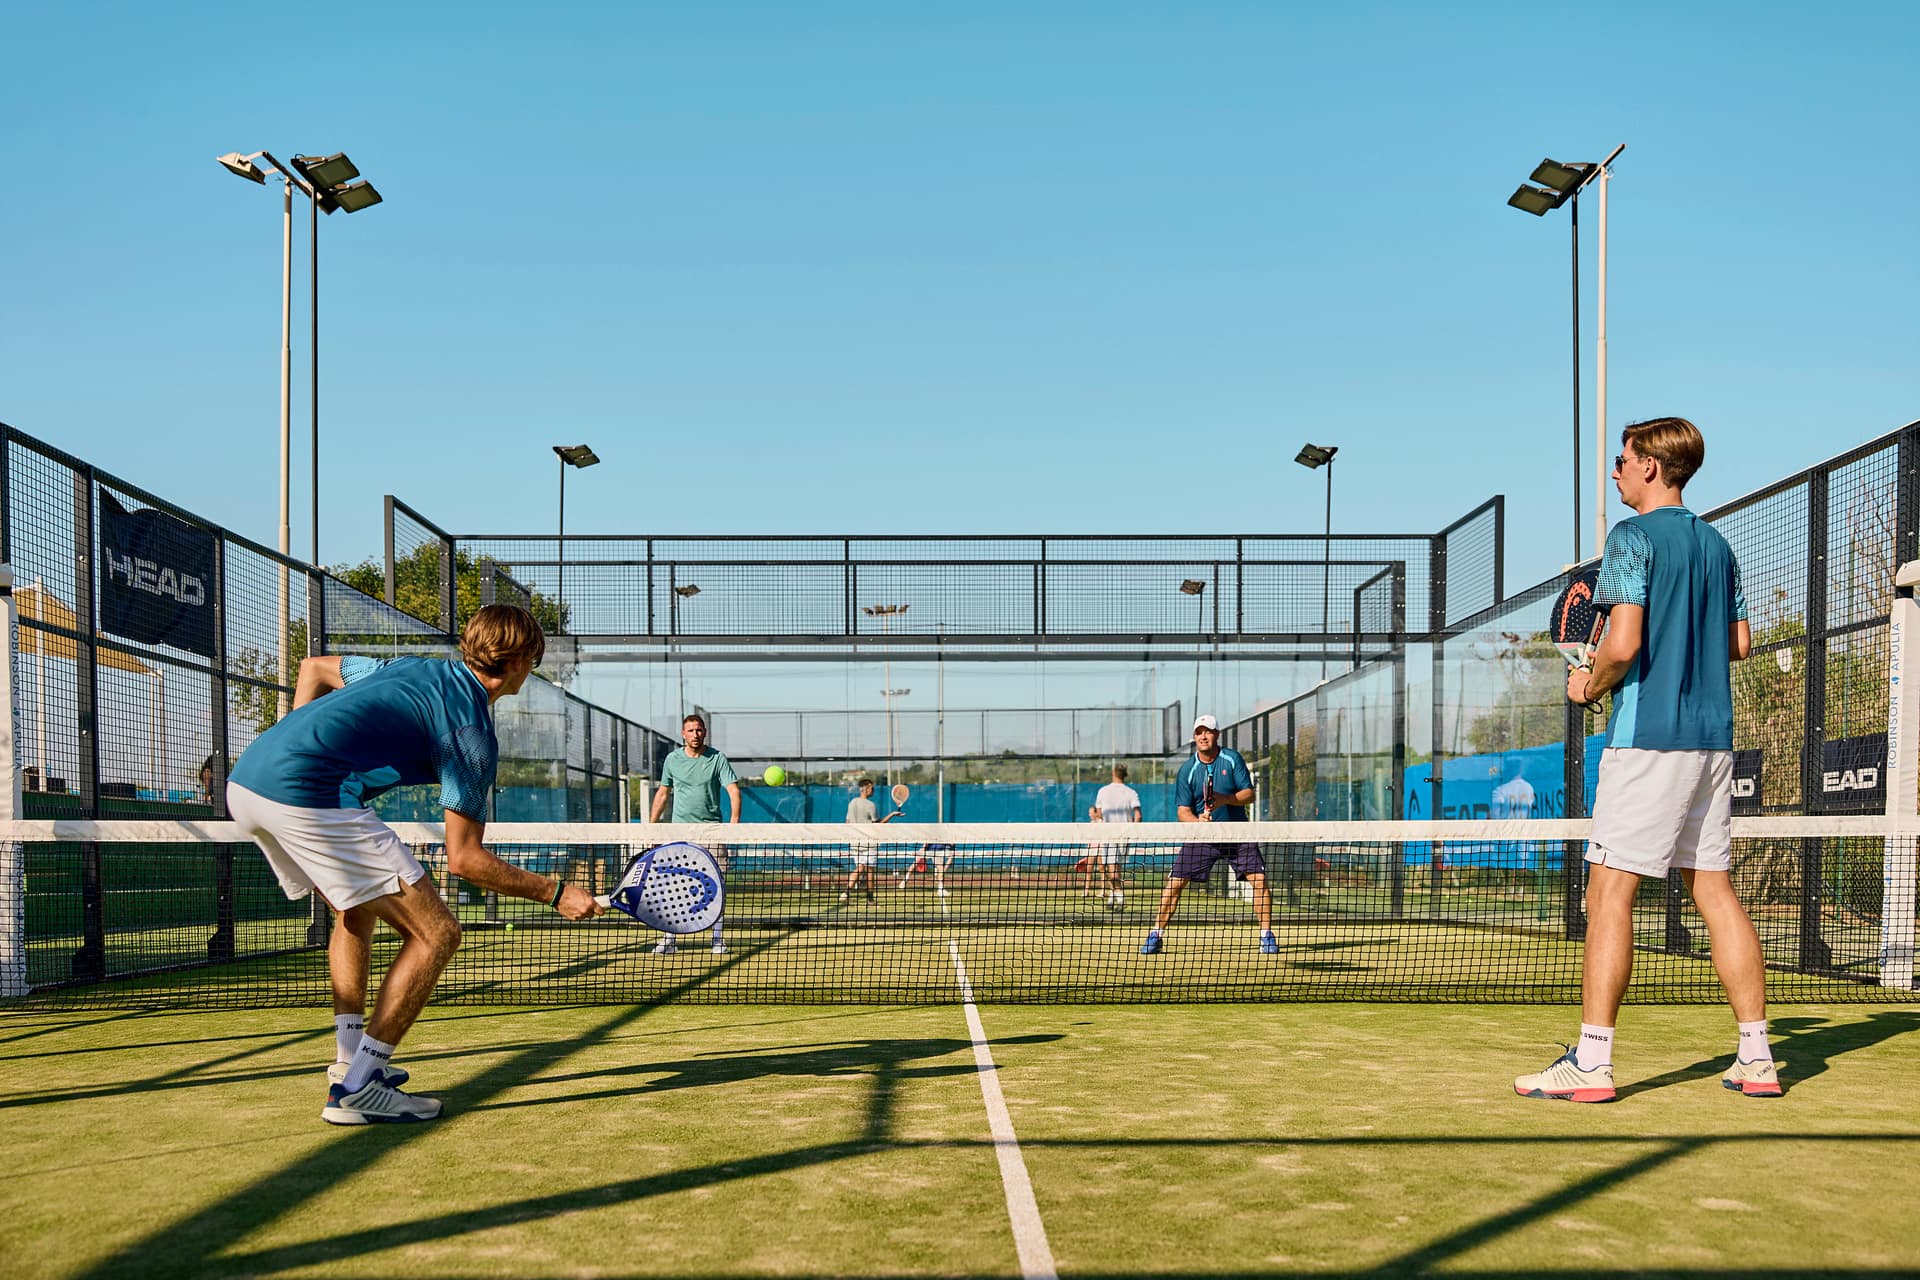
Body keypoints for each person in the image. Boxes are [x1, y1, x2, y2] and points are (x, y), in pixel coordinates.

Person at [227, 605, 602, 1125]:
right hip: (307, 794)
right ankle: (359, 1089)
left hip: (247, 780)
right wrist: (555, 893)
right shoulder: (470, 735)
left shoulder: (410, 667)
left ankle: (349, 1060)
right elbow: (465, 859)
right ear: (520, 664)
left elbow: (313, 669)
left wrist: (298, 746)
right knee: (437, 933)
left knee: (355, 908)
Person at [1515, 417, 1776, 1104]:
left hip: (1648, 740)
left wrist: (1589, 683)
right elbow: (1740, 643)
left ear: (1651, 467)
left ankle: (1591, 1062)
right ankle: (1757, 1057)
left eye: (1623, 460)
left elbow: (1624, 643)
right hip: (1711, 740)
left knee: (1608, 893)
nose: (1615, 471)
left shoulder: (1631, 538)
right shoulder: (1718, 546)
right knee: (1714, 890)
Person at [1139, 716, 1276, 954]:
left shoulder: (1231, 759)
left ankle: (1266, 936)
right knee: (1174, 884)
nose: (1203, 736)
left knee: (1259, 881)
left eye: (1208, 731)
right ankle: (1156, 934)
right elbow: (1183, 812)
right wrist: (1198, 822)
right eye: (1199, 732)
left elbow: (1249, 794)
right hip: (1202, 837)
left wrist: (1225, 799)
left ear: (1217, 734)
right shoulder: (1187, 771)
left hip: (1237, 833)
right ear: (1195, 737)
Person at [648, 712, 741, 955]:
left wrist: (733, 823)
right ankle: (669, 939)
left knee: (717, 886)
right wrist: (651, 828)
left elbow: (733, 790)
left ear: (705, 733)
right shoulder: (672, 759)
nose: (695, 734)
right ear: (683, 734)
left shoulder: (717, 758)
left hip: (712, 832)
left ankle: (717, 939)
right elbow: (663, 793)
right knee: (674, 886)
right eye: (690, 730)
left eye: (699, 730)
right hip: (680, 832)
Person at [1089, 763, 1142, 911]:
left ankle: (1119, 898)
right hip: (1122, 836)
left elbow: (1099, 814)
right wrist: (1132, 831)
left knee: (1113, 869)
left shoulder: (1103, 791)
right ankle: (1113, 897)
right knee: (1112, 868)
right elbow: (1138, 816)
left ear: (1113, 773)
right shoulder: (1131, 793)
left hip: (1112, 835)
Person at [841, 777, 901, 904]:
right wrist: (892, 815)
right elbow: (877, 825)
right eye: (872, 788)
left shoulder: (851, 803)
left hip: (855, 843)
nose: (873, 790)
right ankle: (870, 899)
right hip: (869, 843)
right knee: (870, 870)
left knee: (859, 868)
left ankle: (846, 892)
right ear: (865, 788)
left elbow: (847, 822)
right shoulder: (871, 805)